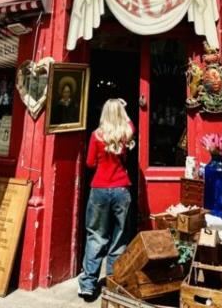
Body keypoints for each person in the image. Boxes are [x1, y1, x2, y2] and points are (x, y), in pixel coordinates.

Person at [77, 99, 135, 301]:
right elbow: (130, 124)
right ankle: (113, 282)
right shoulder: (125, 134)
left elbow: (90, 163)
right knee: (119, 238)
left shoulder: (96, 135)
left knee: (96, 236)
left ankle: (88, 285)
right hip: (121, 189)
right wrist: (123, 109)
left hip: (100, 189)